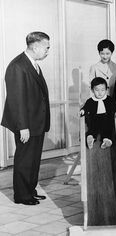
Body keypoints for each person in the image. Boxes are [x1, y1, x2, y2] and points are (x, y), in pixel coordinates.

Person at [1, 32, 51, 205]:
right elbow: (17, 100)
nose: (47, 51)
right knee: (24, 159)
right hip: (26, 124)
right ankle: (22, 195)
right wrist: (23, 127)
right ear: (35, 46)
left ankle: (30, 190)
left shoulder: (33, 64)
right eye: (46, 47)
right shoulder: (17, 66)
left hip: (37, 122)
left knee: (34, 159)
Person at [80, 77, 116, 149]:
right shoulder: (90, 100)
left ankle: (106, 140)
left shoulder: (109, 99)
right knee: (92, 129)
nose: (100, 92)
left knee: (108, 128)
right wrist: (83, 111)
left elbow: (114, 107)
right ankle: (91, 138)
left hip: (106, 119)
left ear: (106, 90)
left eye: (102, 90)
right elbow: (86, 108)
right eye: (97, 90)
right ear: (92, 90)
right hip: (94, 119)